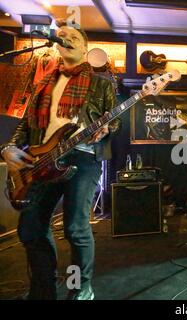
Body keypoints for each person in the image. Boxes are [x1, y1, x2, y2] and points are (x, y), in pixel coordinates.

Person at [0, 25, 120, 299]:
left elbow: (116, 121)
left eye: (74, 37)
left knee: (75, 227)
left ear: (85, 49)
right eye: (62, 35)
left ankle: (80, 288)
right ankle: (43, 288)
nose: (65, 38)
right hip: (41, 161)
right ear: (56, 45)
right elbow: (25, 126)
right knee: (30, 228)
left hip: (83, 156)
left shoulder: (101, 83)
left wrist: (107, 129)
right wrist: (7, 148)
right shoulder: (43, 83)